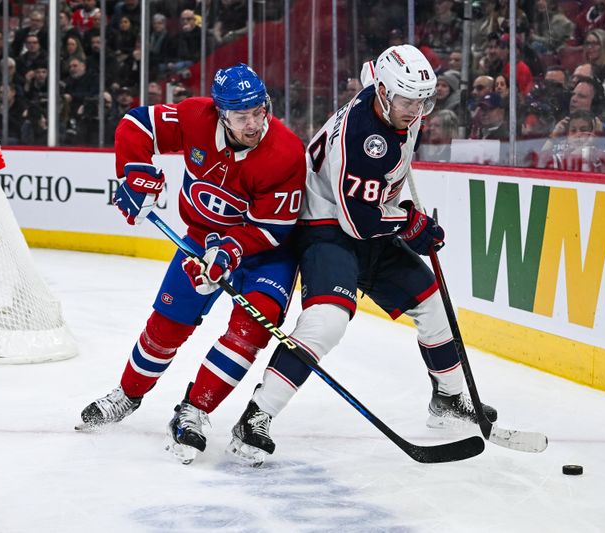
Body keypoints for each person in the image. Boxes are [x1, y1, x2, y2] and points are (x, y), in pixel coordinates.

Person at [224, 45, 497, 467]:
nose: (416, 110)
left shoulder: (387, 95)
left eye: (423, 100)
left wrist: (403, 219)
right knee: (326, 323)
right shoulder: (367, 139)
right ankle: (255, 418)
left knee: (432, 302)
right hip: (327, 227)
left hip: (365, 219)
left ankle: (447, 400)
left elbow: (372, 67)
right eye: (407, 101)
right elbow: (359, 224)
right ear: (384, 94)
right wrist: (410, 224)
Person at [77, 64, 307, 466]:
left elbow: (273, 228)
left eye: (259, 111)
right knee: (168, 324)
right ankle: (128, 395)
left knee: (250, 329)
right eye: (241, 116)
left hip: (267, 252)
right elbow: (136, 124)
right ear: (220, 113)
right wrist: (134, 171)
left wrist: (231, 253)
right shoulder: (194, 116)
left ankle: (195, 409)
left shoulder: (286, 152)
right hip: (201, 240)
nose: (254, 123)